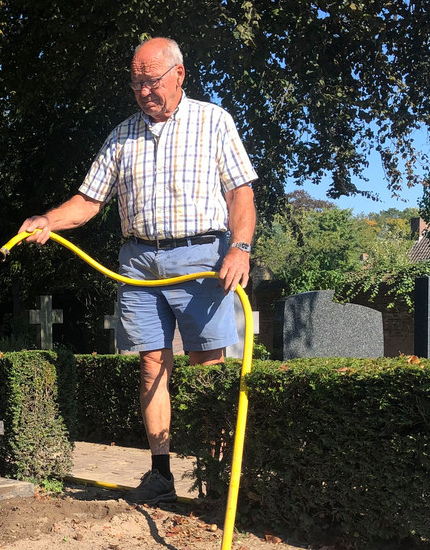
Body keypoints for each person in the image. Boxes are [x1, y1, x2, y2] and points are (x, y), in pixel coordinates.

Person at [19, 36, 257, 505]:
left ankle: (216, 478)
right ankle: (161, 474)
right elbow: (89, 201)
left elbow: (240, 193)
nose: (145, 91)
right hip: (139, 262)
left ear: (179, 74)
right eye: (136, 84)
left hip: (201, 257)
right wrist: (48, 219)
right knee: (151, 364)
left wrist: (240, 248)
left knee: (208, 366)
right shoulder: (121, 136)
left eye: (152, 81)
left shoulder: (213, 121)